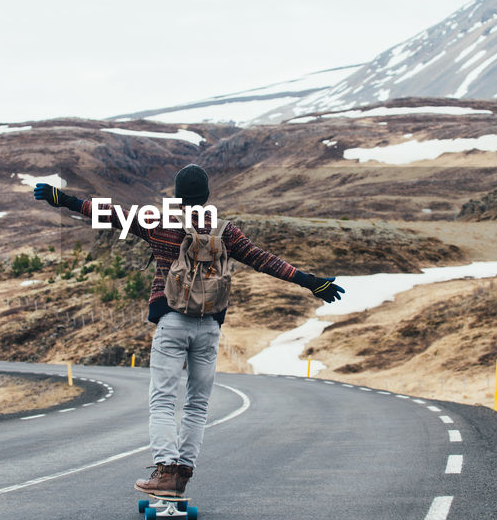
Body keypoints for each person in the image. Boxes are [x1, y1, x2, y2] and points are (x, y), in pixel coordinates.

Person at [34, 164, 343, 496]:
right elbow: (263, 259)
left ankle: (165, 470)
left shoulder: (161, 223)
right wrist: (310, 282)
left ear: (178, 196)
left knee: (164, 399)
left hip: (172, 321)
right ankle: (181, 476)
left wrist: (64, 199)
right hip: (209, 325)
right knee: (197, 403)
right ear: (207, 195)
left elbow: (111, 214)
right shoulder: (226, 231)